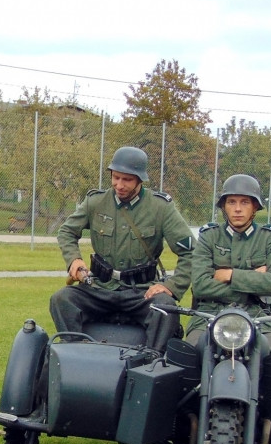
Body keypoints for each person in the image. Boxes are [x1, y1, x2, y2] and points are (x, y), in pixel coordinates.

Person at [49, 146, 195, 352]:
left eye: (126, 179)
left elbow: (190, 251)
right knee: (62, 299)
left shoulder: (160, 208)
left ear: (140, 180)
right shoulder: (96, 202)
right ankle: (74, 353)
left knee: (166, 308)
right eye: (115, 177)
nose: (119, 185)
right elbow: (66, 232)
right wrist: (74, 260)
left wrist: (172, 286)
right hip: (100, 289)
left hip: (141, 293)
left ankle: (151, 361)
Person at [186, 173, 271, 352]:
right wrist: (253, 283)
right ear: (224, 206)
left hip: (256, 315)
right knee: (187, 358)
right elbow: (201, 285)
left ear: (255, 207)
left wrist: (230, 275)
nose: (238, 209)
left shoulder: (269, 237)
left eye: (245, 202)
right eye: (232, 202)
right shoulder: (209, 236)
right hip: (209, 314)